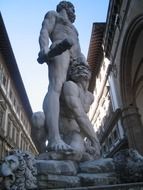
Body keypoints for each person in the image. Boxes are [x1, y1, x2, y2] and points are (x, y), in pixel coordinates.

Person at [38, 1, 87, 151]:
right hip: (60, 49)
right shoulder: (54, 15)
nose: (74, 12)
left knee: (80, 98)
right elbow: (44, 31)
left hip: (77, 60)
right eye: (73, 8)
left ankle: (80, 139)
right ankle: (54, 138)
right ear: (66, 7)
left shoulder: (74, 28)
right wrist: (44, 48)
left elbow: (77, 45)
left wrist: (83, 61)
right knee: (56, 86)